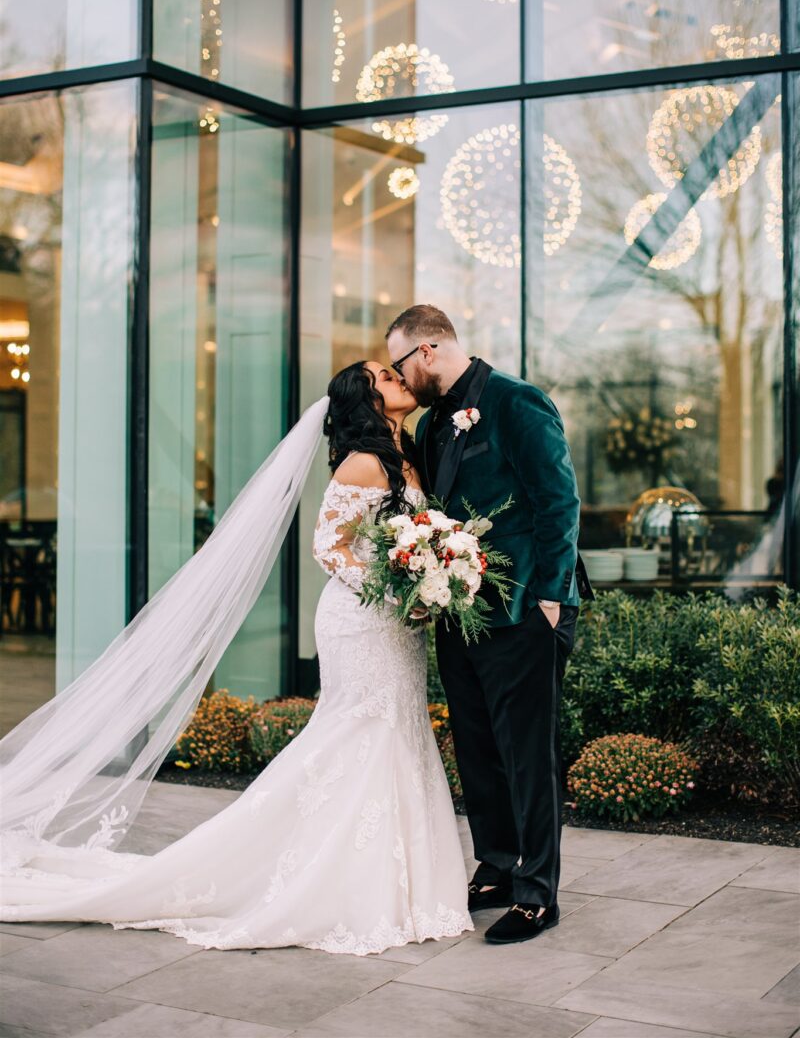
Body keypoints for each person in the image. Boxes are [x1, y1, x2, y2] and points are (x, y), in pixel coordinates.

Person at [0, 362, 472, 957]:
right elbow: (329, 547)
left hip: (398, 628)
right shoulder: (363, 463)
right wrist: (394, 592)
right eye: (383, 376)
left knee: (398, 732)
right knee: (359, 733)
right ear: (366, 400)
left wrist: (422, 586)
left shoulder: (406, 454)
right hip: (360, 622)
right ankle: (329, 881)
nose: (398, 377)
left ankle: (399, 885)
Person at [386, 304, 594, 945]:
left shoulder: (515, 401)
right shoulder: (432, 423)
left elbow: (558, 501)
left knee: (527, 754)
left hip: (526, 607)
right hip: (460, 612)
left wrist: (552, 597)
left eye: (399, 365)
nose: (400, 379)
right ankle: (498, 867)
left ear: (426, 351)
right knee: (478, 750)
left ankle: (537, 893)